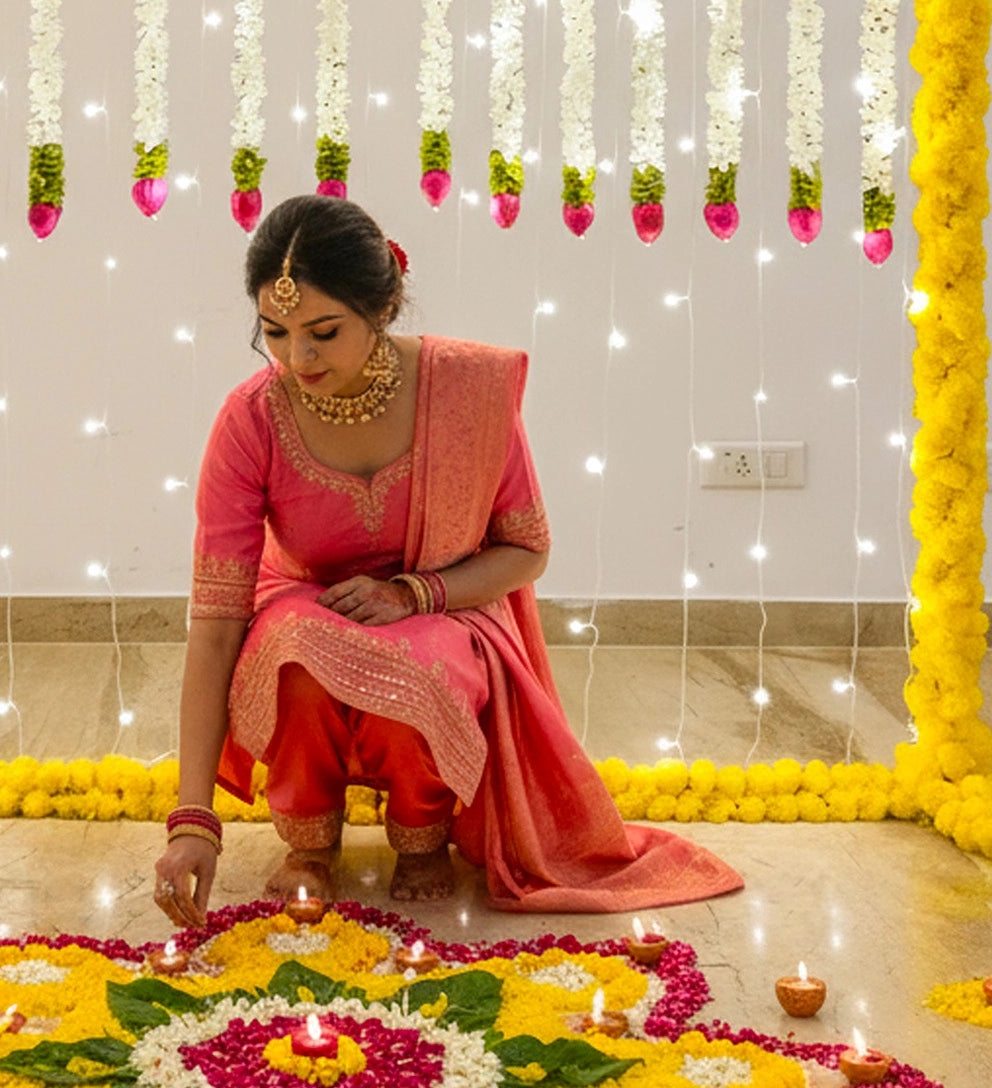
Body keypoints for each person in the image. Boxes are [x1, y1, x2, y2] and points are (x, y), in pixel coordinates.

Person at [153, 194, 743, 927]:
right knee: (295, 646)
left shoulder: (466, 392)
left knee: (424, 657)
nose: (297, 359)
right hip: (306, 605)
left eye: (324, 332)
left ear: (386, 304)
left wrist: (416, 593)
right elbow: (215, 622)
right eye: (274, 333)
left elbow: (527, 549)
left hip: (442, 607)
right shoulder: (251, 420)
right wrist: (191, 821)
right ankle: (309, 836)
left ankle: (422, 834)